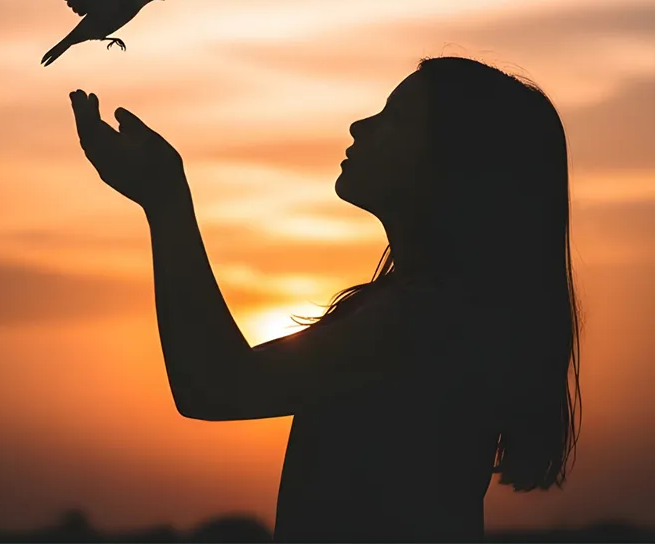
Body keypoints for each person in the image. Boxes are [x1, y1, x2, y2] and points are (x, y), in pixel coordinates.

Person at [69, 55, 584, 543]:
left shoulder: (426, 320)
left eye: (396, 118)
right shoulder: (435, 311)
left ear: (455, 163)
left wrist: (164, 198)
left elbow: (217, 385)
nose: (361, 125)